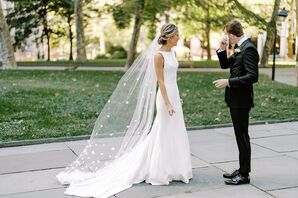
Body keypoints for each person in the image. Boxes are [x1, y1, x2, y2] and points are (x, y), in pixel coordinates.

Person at [56, 23, 193, 198]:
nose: (178, 38)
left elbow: (172, 79)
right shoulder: (158, 55)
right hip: (165, 98)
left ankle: (176, 168)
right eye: (176, 36)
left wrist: (175, 99)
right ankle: (160, 170)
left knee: (175, 131)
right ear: (168, 36)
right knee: (162, 131)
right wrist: (167, 103)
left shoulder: (172, 53)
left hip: (174, 95)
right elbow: (161, 81)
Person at [213, 19, 259, 185]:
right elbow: (226, 65)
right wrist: (223, 49)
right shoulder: (241, 47)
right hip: (235, 100)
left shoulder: (249, 49)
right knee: (240, 136)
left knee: (242, 136)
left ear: (232, 34)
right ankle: (241, 169)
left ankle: (244, 174)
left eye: (227, 35)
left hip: (241, 100)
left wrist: (229, 82)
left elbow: (253, 76)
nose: (226, 37)